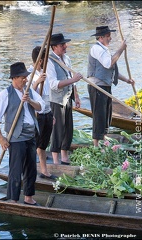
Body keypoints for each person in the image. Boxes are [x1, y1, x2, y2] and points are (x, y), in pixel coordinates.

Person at [0, 62, 45, 205]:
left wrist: (30, 101)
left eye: (26, 77)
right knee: (16, 170)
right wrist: (1, 138)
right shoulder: (5, 94)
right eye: (23, 77)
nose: (26, 80)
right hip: (16, 137)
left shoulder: (30, 92)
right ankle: (13, 199)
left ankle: (28, 197)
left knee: (31, 168)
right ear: (14, 78)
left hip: (31, 135)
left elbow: (41, 107)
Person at [87, 26, 135, 147]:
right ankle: (96, 145)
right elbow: (108, 64)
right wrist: (121, 49)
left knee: (107, 113)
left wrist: (127, 80)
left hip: (105, 86)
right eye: (108, 36)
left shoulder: (105, 50)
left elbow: (112, 71)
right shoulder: (96, 49)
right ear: (101, 37)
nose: (110, 38)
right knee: (99, 115)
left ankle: (103, 140)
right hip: (97, 87)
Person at [46, 33, 83, 165]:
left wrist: (76, 96)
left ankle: (64, 156)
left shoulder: (66, 58)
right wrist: (72, 79)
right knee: (58, 129)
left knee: (68, 127)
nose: (65, 46)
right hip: (56, 100)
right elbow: (53, 84)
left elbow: (73, 80)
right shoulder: (50, 61)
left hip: (67, 97)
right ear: (54, 47)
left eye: (65, 44)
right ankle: (55, 159)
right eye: (62, 45)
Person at [27, 46, 57, 180]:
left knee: (43, 144)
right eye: (45, 60)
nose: (47, 63)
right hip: (36, 114)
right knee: (35, 143)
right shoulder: (29, 74)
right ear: (40, 61)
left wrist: (52, 113)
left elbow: (47, 96)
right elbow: (28, 95)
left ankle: (44, 171)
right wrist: (37, 82)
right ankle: (29, 170)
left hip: (47, 112)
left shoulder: (46, 73)